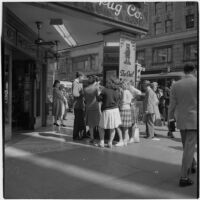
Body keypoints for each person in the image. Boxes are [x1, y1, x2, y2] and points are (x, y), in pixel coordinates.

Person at [168, 62, 197, 187]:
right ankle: (184, 177)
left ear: (184, 71)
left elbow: (172, 105)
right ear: (194, 70)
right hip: (195, 120)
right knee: (189, 149)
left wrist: (170, 120)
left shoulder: (176, 85)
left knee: (187, 147)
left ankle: (193, 164)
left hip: (182, 120)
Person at [98, 79, 122, 148]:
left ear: (111, 83)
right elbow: (118, 100)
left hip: (107, 110)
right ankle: (110, 142)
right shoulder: (117, 91)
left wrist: (99, 92)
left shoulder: (104, 90)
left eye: (108, 82)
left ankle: (102, 142)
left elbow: (98, 99)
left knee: (101, 127)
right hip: (115, 110)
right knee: (112, 127)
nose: (107, 83)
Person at [84, 75, 101, 145]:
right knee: (99, 123)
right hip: (95, 107)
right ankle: (100, 137)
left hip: (88, 107)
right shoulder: (96, 88)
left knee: (91, 125)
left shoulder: (85, 89)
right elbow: (99, 98)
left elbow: (85, 99)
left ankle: (92, 137)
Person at [72, 72, 86, 140]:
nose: (83, 78)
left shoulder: (79, 83)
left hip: (80, 104)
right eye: (83, 77)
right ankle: (76, 135)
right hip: (77, 105)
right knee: (77, 121)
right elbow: (75, 94)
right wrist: (82, 94)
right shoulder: (75, 83)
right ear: (80, 76)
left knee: (80, 120)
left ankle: (80, 134)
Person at [119, 81, 133, 146]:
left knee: (122, 126)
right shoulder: (129, 92)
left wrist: (119, 101)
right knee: (126, 127)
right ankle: (126, 140)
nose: (122, 86)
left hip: (123, 109)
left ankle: (123, 140)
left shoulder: (124, 92)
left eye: (122, 85)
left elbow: (123, 100)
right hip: (128, 109)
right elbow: (131, 100)